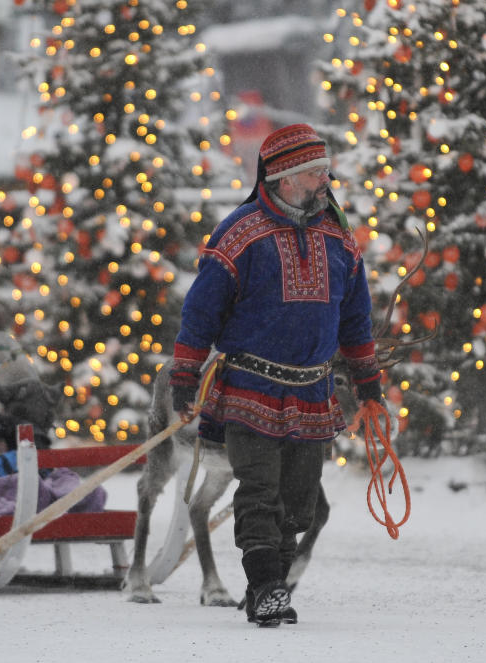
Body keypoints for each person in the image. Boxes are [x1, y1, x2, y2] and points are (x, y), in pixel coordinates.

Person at [170, 124, 382, 627]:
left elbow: (356, 315)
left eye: (324, 170)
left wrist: (368, 379)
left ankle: (275, 588)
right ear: (285, 177)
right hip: (250, 385)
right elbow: (201, 313)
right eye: (315, 172)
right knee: (259, 490)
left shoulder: (339, 238)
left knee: (300, 501)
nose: (325, 180)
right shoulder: (239, 233)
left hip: (313, 388)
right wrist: (184, 373)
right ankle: (264, 586)